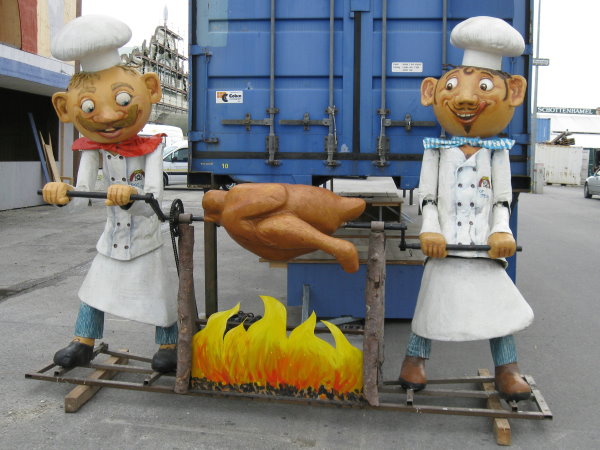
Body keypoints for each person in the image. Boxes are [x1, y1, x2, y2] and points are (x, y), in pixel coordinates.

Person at [398, 16, 534, 401]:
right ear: (431, 92)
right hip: (445, 243)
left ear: (514, 92)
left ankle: (507, 369)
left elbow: (503, 199)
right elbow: (427, 196)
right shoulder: (436, 152)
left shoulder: (498, 153)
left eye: (484, 87)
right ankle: (414, 361)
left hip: (485, 247)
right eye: (453, 86)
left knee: (497, 306)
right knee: (432, 301)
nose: (466, 99)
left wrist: (501, 230)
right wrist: (430, 227)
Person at [41, 15, 178, 373]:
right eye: (88, 107)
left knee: (158, 293)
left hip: (146, 238)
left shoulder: (152, 147)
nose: (105, 116)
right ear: (65, 108)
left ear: (150, 89)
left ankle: (169, 344)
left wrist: (132, 194)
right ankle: (83, 342)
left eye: (121, 99)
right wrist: (63, 194)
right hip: (111, 238)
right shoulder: (92, 149)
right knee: (94, 289)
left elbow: (155, 199)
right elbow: (83, 197)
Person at [203, 184, 366, 273]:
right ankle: (335, 246)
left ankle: (336, 246)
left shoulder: (233, 206)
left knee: (266, 229)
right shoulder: (235, 202)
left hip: (316, 208)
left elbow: (276, 195)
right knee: (266, 229)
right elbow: (276, 194)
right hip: (318, 205)